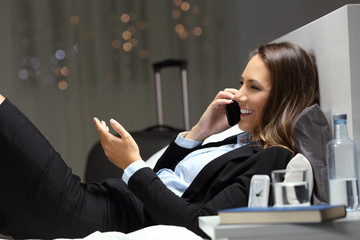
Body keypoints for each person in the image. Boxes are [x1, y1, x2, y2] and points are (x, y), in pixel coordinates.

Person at [0, 41, 319, 239]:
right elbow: (168, 179)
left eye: (254, 87)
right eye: (241, 83)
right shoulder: (235, 140)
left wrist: (132, 166)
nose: (238, 94)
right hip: (102, 198)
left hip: (102, 216)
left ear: (284, 97)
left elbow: (200, 224)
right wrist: (199, 132)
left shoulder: (272, 158)